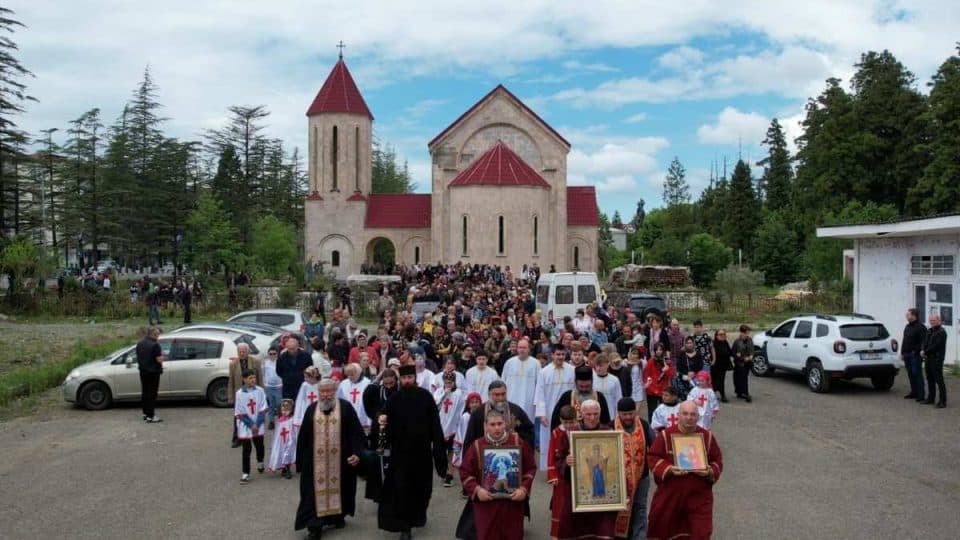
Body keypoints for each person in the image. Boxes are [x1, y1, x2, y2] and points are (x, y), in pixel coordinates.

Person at [376, 365, 448, 540]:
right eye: (404, 378)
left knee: (422, 490)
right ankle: (405, 526)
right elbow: (382, 415)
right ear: (400, 379)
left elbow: (435, 427)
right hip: (400, 455)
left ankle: (418, 517)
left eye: (410, 377)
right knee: (402, 490)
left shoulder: (425, 397)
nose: (407, 380)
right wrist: (381, 418)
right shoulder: (394, 399)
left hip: (421, 454)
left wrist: (439, 455)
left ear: (415, 378)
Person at [295, 378, 366, 539]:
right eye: (323, 391)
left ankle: (336, 516)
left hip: (341, 461)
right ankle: (315, 527)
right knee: (312, 496)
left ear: (334, 392)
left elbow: (357, 433)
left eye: (329, 391)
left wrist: (357, 453)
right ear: (318, 393)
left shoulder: (346, 408)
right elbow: (303, 437)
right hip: (315, 464)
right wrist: (300, 461)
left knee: (342, 489)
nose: (326, 395)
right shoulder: (312, 409)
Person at [647, 401, 723, 540]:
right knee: (664, 529)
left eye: (693, 414)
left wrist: (709, 471)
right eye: (685, 413)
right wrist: (669, 469)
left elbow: (717, 460)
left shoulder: (707, 437)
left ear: (698, 416)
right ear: (678, 415)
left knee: (700, 533)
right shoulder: (665, 436)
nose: (689, 417)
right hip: (670, 495)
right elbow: (652, 457)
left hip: (698, 497)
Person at [458, 408, 536, 540]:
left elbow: (530, 468)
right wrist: (477, 490)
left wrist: (523, 489)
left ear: (505, 424)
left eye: (499, 424)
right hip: (486, 505)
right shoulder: (477, 445)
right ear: (485, 426)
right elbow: (465, 471)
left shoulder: (517, 442)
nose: (497, 428)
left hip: (512, 505)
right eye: (492, 425)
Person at [547, 400, 617, 539]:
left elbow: (617, 462)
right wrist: (566, 462)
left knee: (602, 529)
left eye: (595, 414)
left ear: (600, 414)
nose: (592, 418)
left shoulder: (609, 432)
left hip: (602, 496)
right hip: (575, 492)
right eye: (588, 414)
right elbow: (559, 459)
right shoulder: (570, 433)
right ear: (582, 414)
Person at [614, 398, 654, 540]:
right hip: (619, 479)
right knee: (619, 508)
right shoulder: (611, 426)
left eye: (631, 413)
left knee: (640, 507)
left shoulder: (643, 425)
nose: (628, 417)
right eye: (624, 414)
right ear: (619, 413)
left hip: (641, 476)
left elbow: (655, 447)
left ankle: (639, 536)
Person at [533, 345, 575, 471]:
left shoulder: (572, 370)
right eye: (558, 354)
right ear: (552, 355)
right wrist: (542, 414)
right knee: (549, 440)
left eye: (562, 354)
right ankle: (549, 467)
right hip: (550, 411)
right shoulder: (544, 372)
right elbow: (539, 393)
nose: (560, 357)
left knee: (567, 438)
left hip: (568, 411)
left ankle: (567, 467)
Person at [462, 380, 535, 451]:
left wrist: (517, 438)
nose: (501, 398)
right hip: (483, 457)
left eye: (503, 394)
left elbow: (529, 432)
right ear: (489, 395)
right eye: (497, 395)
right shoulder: (478, 413)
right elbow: (470, 440)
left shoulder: (516, 411)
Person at [363, 368, 399, 504]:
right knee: (379, 463)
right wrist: (377, 378)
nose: (389, 386)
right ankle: (380, 493)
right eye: (386, 384)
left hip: (397, 433)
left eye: (392, 383)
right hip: (379, 432)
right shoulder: (378, 391)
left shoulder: (400, 390)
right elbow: (367, 396)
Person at [550, 365, 611, 430]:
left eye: (587, 386)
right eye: (581, 386)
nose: (584, 389)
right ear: (576, 383)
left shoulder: (599, 397)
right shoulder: (566, 397)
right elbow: (556, 422)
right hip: (570, 436)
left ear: (592, 382)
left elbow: (606, 423)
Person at [234, 369, 268, 483]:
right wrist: (250, 424)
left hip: (258, 423)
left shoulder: (260, 391)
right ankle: (245, 473)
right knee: (246, 449)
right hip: (246, 424)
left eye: (254, 378)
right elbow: (239, 411)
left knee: (259, 446)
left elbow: (263, 408)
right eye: (250, 378)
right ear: (244, 379)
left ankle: (260, 461)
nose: (253, 380)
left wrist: (257, 424)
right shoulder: (239, 393)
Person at [228, 343, 264, 447]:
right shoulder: (233, 364)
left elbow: (260, 378)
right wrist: (231, 397)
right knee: (238, 417)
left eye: (244, 351)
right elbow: (231, 381)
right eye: (239, 352)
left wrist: (263, 393)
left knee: (254, 415)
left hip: (253, 393)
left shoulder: (255, 362)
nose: (242, 353)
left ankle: (255, 435)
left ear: (248, 351)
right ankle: (237, 438)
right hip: (240, 394)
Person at [435, 371, 466, 487]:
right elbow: (435, 406)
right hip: (440, 426)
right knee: (440, 452)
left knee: (451, 452)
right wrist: (444, 395)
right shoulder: (439, 391)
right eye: (446, 382)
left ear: (454, 382)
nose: (448, 384)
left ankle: (450, 475)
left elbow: (461, 410)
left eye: (450, 382)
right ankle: (443, 471)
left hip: (453, 427)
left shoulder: (458, 394)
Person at [501, 339, 539, 429]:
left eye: (524, 348)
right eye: (520, 347)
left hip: (529, 401)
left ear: (529, 349)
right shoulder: (509, 362)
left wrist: (536, 401)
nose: (522, 350)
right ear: (517, 349)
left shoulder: (536, 363)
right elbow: (502, 382)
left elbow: (539, 385)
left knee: (527, 427)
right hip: (511, 399)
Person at [136, 326, 164, 423]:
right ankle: (151, 416)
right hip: (153, 373)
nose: (158, 336)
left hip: (143, 372)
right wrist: (163, 356)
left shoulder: (140, 344)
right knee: (152, 394)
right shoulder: (155, 345)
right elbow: (159, 360)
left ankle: (145, 414)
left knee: (145, 393)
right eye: (158, 334)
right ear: (154, 335)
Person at [642, 342, 674, 421]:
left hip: (663, 391)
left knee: (664, 410)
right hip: (652, 391)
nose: (659, 351)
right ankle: (652, 429)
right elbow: (646, 376)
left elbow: (672, 375)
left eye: (660, 349)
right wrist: (650, 387)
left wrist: (667, 370)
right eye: (657, 350)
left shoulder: (667, 361)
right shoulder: (651, 361)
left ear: (663, 351)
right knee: (652, 411)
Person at [921, 313, 947, 408]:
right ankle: (931, 398)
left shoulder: (941, 332)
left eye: (934, 320)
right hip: (928, 358)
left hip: (936, 359)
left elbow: (936, 346)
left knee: (939, 380)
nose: (932, 322)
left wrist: (925, 352)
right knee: (930, 379)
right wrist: (923, 349)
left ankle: (942, 401)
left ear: (939, 321)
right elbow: (925, 342)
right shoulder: (929, 331)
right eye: (931, 320)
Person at [277, 335, 314, 400]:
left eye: (293, 349)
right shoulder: (282, 357)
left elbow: (310, 369)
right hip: (288, 387)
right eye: (289, 349)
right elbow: (279, 371)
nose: (291, 351)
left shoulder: (306, 356)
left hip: (302, 385)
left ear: (297, 346)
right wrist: (287, 377)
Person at [901, 308, 928, 401]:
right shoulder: (907, 326)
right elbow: (904, 340)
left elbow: (923, 342)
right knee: (910, 374)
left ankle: (921, 395)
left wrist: (917, 351)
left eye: (908, 314)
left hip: (915, 355)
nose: (906, 316)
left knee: (917, 374)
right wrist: (902, 353)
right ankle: (914, 392)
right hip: (907, 354)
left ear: (914, 315)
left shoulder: (921, 327)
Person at [267, 399, 297, 479]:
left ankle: (287, 469)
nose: (285, 412)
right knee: (282, 453)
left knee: (288, 453)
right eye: (283, 410)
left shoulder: (293, 419)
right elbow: (276, 433)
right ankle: (285, 469)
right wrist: (275, 443)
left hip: (290, 440)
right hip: (281, 441)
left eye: (287, 410)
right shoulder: (279, 421)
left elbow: (295, 430)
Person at [338, 363, 372, 433]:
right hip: (348, 419)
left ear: (359, 373)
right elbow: (339, 400)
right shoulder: (343, 384)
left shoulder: (367, 383)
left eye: (352, 374)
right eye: (348, 375)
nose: (350, 377)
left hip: (364, 421)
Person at [593, 353, 623, 417]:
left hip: (611, 412)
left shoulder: (614, 380)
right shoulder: (592, 379)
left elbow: (618, 398)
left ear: (607, 364)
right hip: (596, 413)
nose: (598, 368)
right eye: (596, 366)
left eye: (601, 366)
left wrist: (618, 415)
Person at [731, 324, 754, 402]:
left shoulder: (750, 340)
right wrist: (738, 356)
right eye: (746, 332)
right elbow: (733, 352)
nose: (747, 334)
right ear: (741, 332)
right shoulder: (737, 342)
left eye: (748, 332)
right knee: (738, 378)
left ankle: (745, 393)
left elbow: (751, 349)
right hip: (739, 363)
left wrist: (751, 356)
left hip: (747, 363)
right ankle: (740, 392)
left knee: (744, 378)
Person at [262, 346, 283, 429]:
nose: (272, 355)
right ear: (268, 354)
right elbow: (263, 374)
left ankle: (280, 419)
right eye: (271, 354)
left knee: (279, 404)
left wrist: (282, 383)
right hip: (269, 387)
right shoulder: (265, 363)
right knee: (271, 405)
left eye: (274, 354)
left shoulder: (280, 362)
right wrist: (264, 384)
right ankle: (271, 421)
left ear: (277, 354)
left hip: (278, 387)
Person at [709, 329, 733, 403]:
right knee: (713, 381)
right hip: (715, 366)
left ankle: (723, 395)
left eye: (724, 334)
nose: (722, 336)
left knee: (721, 381)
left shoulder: (725, 342)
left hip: (723, 366)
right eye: (720, 334)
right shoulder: (713, 344)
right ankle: (711, 396)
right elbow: (710, 354)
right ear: (716, 336)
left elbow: (730, 352)